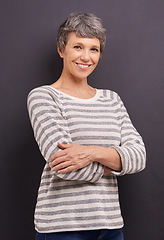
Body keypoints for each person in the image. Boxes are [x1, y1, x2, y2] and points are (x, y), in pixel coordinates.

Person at [27, 12, 146, 240]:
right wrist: (117, 161)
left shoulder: (112, 99)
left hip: (110, 225)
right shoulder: (43, 97)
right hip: (62, 227)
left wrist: (89, 152)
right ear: (62, 50)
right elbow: (63, 166)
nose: (86, 57)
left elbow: (139, 157)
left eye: (94, 49)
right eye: (78, 47)